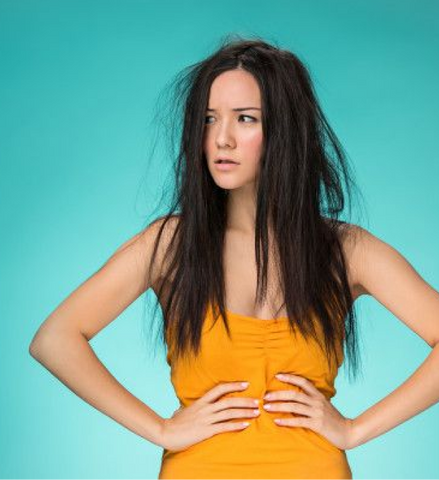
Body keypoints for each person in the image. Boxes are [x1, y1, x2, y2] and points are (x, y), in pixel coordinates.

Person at [29, 36, 439, 480]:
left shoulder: (346, 250)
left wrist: (355, 430)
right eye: (208, 119)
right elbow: (54, 339)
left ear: (285, 130)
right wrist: (160, 429)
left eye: (245, 119)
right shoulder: (170, 244)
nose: (221, 138)